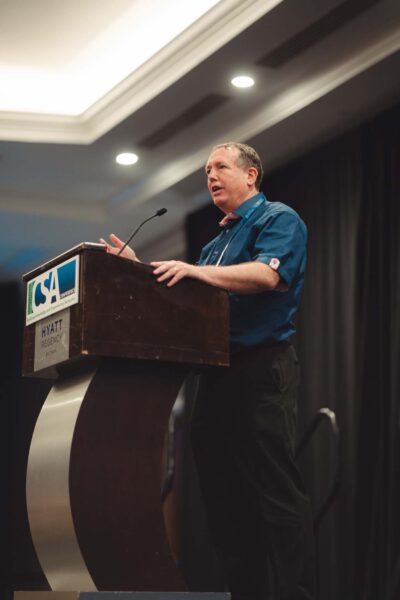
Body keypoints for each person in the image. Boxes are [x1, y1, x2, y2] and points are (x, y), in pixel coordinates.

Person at [101, 142, 315, 600]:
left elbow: (267, 276)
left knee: (272, 493)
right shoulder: (215, 244)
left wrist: (195, 272)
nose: (211, 176)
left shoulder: (277, 218)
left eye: (220, 167)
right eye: (206, 171)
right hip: (214, 376)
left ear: (251, 175)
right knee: (223, 498)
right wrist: (138, 273)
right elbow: (187, 302)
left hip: (260, 369)